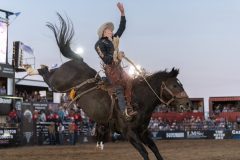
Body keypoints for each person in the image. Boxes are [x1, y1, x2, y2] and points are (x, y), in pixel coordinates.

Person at [95, 2, 137, 118]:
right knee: (118, 87)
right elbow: (105, 59)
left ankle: (129, 105)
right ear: (104, 32)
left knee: (129, 81)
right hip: (110, 69)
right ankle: (124, 111)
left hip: (118, 67)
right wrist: (116, 55)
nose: (111, 31)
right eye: (109, 30)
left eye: (111, 30)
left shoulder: (113, 39)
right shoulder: (99, 44)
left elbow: (122, 28)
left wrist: (122, 13)